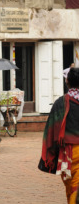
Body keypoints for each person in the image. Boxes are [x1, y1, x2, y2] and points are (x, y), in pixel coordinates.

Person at [39, 68, 79, 204]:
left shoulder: (60, 103)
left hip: (66, 155)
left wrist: (50, 154)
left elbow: (50, 131)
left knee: (71, 186)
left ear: (67, 82)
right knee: (74, 187)